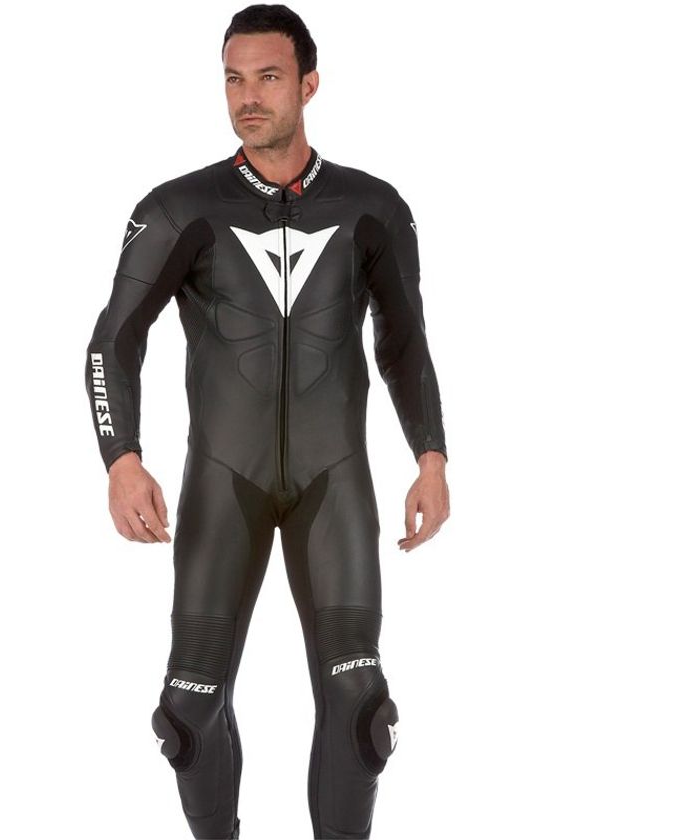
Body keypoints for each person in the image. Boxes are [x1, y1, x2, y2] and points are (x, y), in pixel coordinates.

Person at [84, 4, 450, 837]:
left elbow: (405, 341)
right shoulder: (179, 208)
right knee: (187, 712)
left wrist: (430, 457)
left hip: (334, 484)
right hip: (225, 483)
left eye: (269, 77)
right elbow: (112, 341)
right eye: (234, 79)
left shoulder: (373, 207)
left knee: (361, 709)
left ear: (309, 85)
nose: (248, 97)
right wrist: (121, 458)